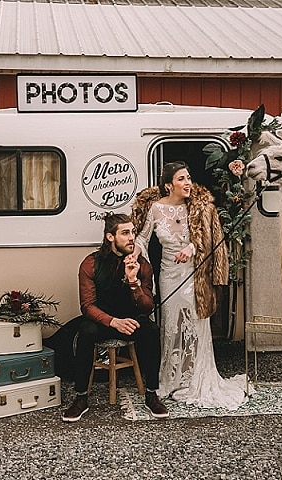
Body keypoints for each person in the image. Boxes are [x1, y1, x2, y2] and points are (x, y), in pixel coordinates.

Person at [130, 161, 249, 410]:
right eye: (182, 179)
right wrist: (134, 254)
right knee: (172, 325)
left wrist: (191, 247)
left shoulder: (196, 208)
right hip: (169, 274)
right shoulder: (155, 209)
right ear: (168, 185)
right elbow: (142, 237)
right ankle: (172, 379)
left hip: (195, 274)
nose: (188, 183)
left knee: (195, 324)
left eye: (189, 177)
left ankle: (195, 378)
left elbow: (208, 238)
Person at [61, 213, 169, 422]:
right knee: (85, 331)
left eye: (133, 232)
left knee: (151, 330)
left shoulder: (142, 264)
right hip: (103, 321)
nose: (132, 238)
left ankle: (151, 394)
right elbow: (87, 306)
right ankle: (81, 397)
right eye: (125, 233)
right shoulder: (90, 263)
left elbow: (147, 307)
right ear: (110, 237)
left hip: (132, 319)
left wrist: (133, 282)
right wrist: (113, 322)